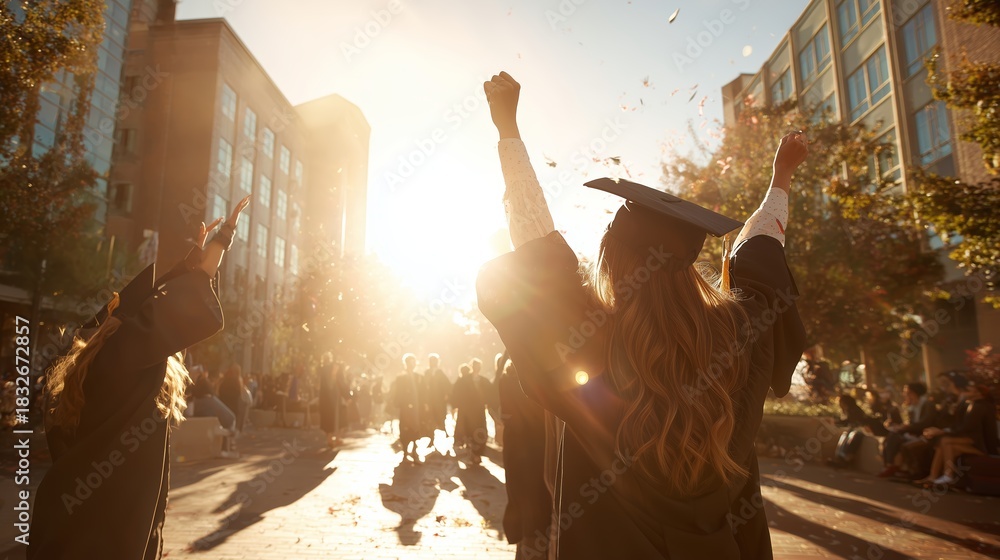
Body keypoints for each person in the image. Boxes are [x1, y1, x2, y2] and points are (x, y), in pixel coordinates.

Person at [477, 72, 808, 559]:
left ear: (611, 260)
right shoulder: (739, 334)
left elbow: (535, 246)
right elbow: (761, 254)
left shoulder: (590, 340)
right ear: (687, 262)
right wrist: (781, 177)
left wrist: (508, 131)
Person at [30, 195, 250, 560]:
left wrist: (194, 260)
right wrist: (223, 238)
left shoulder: (91, 358)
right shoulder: (127, 356)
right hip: (107, 524)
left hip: (67, 515)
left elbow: (164, 302)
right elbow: (181, 305)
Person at [497, 352, 553, 558]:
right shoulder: (539, 376)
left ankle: (524, 546)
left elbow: (505, 411)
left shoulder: (506, 376)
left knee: (520, 492)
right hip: (539, 439)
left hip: (516, 440)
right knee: (539, 495)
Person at [916, 373, 999, 486]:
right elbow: (959, 424)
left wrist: (941, 431)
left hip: (982, 445)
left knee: (945, 440)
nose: (964, 393)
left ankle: (946, 476)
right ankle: (935, 476)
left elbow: (967, 428)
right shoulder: (971, 405)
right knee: (946, 444)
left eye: (969, 391)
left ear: (979, 394)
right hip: (971, 441)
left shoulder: (981, 406)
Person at [878, 382, 938, 478]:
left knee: (896, 437)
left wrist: (906, 427)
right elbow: (910, 422)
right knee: (892, 435)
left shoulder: (927, 404)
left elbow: (925, 423)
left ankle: (891, 465)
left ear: (914, 393)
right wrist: (900, 426)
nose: (904, 394)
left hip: (924, 434)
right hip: (913, 432)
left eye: (907, 392)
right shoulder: (912, 406)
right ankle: (890, 465)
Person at [392, 353, 427, 463]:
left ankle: (415, 452)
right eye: (410, 362)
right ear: (406, 363)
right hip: (406, 409)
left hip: (417, 408)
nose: (412, 364)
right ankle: (405, 452)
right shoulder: (401, 378)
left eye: (413, 362)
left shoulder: (419, 377)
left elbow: (423, 392)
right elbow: (398, 393)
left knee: (417, 429)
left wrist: (425, 404)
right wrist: (398, 404)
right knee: (405, 429)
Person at [452, 362, 490, 465]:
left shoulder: (483, 380)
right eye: (475, 367)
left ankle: (477, 454)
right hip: (467, 411)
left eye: (478, 367)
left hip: (479, 412)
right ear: (472, 367)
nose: (476, 369)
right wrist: (456, 406)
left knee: (479, 432)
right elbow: (457, 393)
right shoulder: (464, 380)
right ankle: (471, 454)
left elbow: (489, 394)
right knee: (468, 432)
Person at [424, 353, 452, 437]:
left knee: (440, 416)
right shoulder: (427, 372)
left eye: (434, 361)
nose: (433, 362)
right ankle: (431, 437)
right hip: (429, 399)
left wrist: (446, 394)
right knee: (430, 418)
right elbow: (424, 385)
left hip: (439, 399)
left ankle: (444, 430)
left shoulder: (440, 372)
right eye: (432, 361)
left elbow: (447, 384)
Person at [318, 353, 341, 447]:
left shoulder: (321, 369)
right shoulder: (331, 368)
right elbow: (332, 382)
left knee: (325, 417)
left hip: (323, 396)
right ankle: (330, 438)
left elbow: (319, 384)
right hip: (330, 397)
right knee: (330, 417)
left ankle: (329, 438)